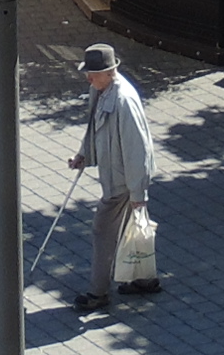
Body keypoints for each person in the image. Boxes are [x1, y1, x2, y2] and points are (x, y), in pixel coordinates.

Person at [66, 43, 156, 310]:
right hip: (117, 178)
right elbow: (94, 128)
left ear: (110, 72)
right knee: (132, 229)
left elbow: (138, 149)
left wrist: (138, 192)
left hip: (121, 183)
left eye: (93, 74)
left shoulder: (123, 101)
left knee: (102, 231)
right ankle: (145, 280)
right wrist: (84, 154)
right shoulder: (100, 90)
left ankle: (98, 293)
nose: (88, 79)